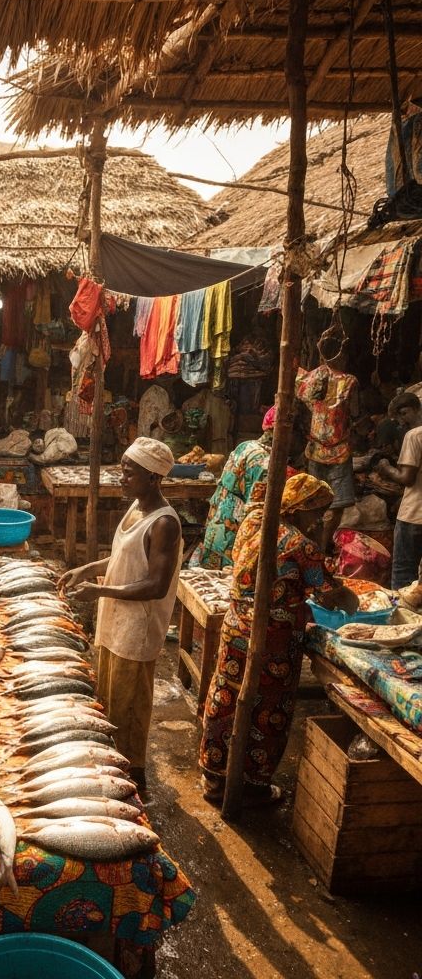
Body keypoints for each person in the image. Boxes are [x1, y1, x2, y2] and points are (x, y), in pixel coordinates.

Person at [199, 474, 358, 806]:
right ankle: (253, 786)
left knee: (227, 696)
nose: (320, 520)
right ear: (299, 508)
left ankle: (214, 775)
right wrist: (353, 601)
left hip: (236, 627)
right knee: (268, 709)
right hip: (273, 638)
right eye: (317, 512)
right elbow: (333, 595)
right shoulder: (301, 545)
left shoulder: (254, 521)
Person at [59, 438, 182, 798]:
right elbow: (123, 559)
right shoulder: (136, 508)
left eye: (130, 473)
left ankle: (132, 785)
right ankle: (111, 773)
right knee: (110, 704)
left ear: (153, 477)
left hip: (137, 631)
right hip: (115, 623)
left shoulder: (164, 523)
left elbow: (156, 585)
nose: (121, 477)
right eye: (122, 470)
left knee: (128, 713)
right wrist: (88, 569)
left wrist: (100, 591)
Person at [189, 407, 279, 570]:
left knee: (211, 572)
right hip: (233, 529)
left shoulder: (245, 446)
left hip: (218, 518)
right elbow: (256, 509)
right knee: (226, 576)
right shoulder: (265, 463)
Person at [295, 331, 359, 551]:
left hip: (315, 449)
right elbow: (356, 411)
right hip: (339, 451)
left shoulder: (308, 377)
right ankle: (322, 548)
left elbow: (301, 398)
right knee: (335, 504)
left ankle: (311, 546)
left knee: (314, 500)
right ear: (342, 355)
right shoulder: (348, 381)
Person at [376, 394, 422, 588]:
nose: (402, 421)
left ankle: (401, 607)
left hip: (414, 515)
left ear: (417, 409)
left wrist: (386, 468)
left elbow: (406, 478)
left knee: (404, 572)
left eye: (404, 413)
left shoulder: (414, 436)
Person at [376, 392, 420, 460]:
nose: (401, 420)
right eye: (398, 417)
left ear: (416, 409)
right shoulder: (403, 432)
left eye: (404, 413)